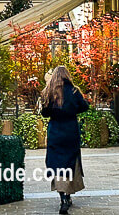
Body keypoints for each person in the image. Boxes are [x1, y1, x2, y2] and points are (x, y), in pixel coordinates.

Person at [40, 66, 89, 214]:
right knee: (70, 162)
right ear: (67, 76)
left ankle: (63, 197)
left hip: (55, 132)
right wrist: (72, 111)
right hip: (70, 132)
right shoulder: (74, 91)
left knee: (57, 164)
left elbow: (44, 113)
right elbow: (85, 107)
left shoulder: (49, 92)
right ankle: (67, 195)